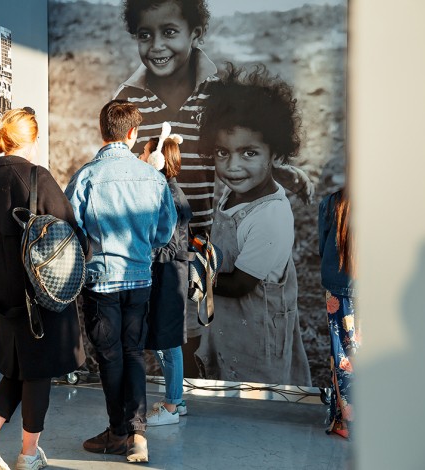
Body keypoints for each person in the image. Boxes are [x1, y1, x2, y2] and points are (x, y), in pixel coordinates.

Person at [115, 0, 315, 377]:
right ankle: (181, 391)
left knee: (199, 323)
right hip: (157, 239)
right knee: (170, 329)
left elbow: (244, 143)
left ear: (195, 33)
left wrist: (281, 170)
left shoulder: (216, 92)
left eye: (169, 32)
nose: (157, 46)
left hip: (205, 234)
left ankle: (199, 386)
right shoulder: (127, 99)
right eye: (145, 35)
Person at [0, 107, 89, 470]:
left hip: (4, 285)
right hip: (40, 288)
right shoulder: (36, 176)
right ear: (31, 139)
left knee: (19, 367)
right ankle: (29, 455)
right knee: (38, 371)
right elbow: (69, 231)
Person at [65, 100, 177, 463]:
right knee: (133, 354)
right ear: (132, 133)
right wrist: (141, 246)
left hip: (101, 282)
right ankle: (137, 434)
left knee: (110, 358)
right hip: (140, 279)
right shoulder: (153, 177)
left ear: (103, 131)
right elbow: (165, 231)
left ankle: (117, 433)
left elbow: (71, 231)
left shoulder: (86, 177)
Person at [194, 65, 312, 386]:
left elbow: (238, 285)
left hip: (258, 339)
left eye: (249, 153)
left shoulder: (269, 217)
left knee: (256, 395)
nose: (233, 167)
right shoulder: (238, 192)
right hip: (232, 326)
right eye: (222, 152)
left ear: (274, 152)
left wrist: (190, 274)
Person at [139, 131, 191, 426]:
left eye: (145, 152)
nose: (141, 157)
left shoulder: (169, 196)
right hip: (168, 275)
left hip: (169, 277)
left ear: (158, 159)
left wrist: (141, 252)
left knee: (168, 343)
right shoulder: (167, 191)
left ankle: (171, 406)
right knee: (166, 341)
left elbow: (170, 247)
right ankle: (177, 400)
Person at [318, 187, 357, 439]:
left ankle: (346, 421)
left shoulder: (331, 202)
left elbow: (323, 248)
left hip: (338, 287)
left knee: (343, 355)